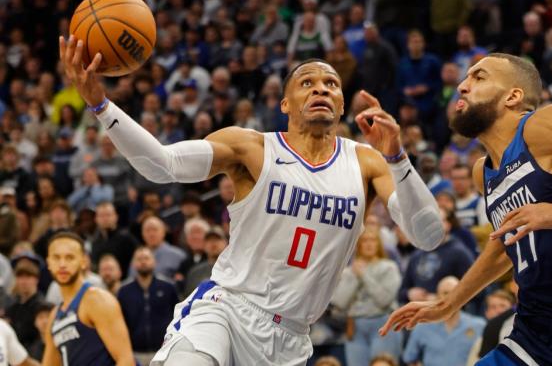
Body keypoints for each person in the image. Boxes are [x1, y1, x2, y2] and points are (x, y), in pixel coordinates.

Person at [60, 34, 443, 365]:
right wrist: (100, 105)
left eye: (331, 84)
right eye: (307, 83)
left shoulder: (367, 163)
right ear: (285, 104)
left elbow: (427, 235)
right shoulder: (251, 148)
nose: (321, 89)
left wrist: (397, 158)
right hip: (227, 308)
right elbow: (164, 165)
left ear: (342, 105)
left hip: (292, 336)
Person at [381, 53, 552, 365]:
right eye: (465, 77)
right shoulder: (482, 173)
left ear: (513, 96)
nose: (462, 86)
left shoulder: (546, 125)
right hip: (536, 334)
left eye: (478, 77)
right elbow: (504, 243)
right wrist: (447, 304)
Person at [42, 232, 135, 365]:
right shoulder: (54, 317)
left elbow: (126, 360)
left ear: (84, 261)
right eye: (56, 258)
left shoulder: (97, 300)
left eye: (69, 257)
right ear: (48, 263)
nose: (62, 264)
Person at [330, 229, 402, 366]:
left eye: (373, 240)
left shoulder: (389, 267)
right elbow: (340, 302)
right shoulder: (349, 271)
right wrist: (355, 276)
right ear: (358, 245)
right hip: (355, 326)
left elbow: (384, 299)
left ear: (379, 244)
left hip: (382, 323)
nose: (369, 244)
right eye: (365, 240)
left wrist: (364, 275)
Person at [402, 276, 485, 366]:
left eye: (455, 292)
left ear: (462, 296)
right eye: (445, 293)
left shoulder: (478, 326)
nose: (451, 297)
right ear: (438, 296)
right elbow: (409, 358)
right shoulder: (422, 325)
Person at [118, 247, 179, 366]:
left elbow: (177, 316)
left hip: (164, 350)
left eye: (146, 258)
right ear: (133, 264)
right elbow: (120, 323)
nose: (143, 261)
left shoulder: (168, 287)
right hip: (135, 353)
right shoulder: (124, 291)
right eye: (139, 259)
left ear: (154, 262)